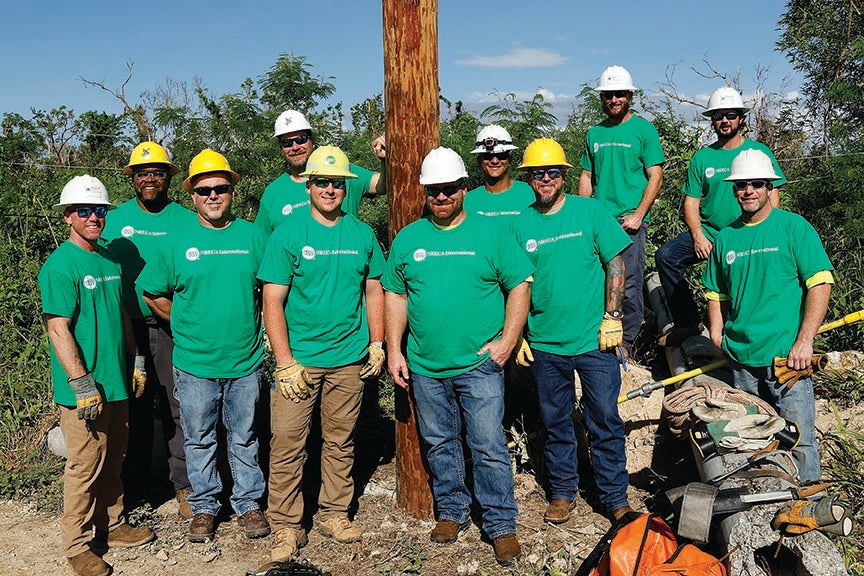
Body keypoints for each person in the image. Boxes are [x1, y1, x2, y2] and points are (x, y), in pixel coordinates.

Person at [383, 147, 533, 567]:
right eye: (435, 191)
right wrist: (394, 348)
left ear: (464, 188)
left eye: (450, 189)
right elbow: (395, 294)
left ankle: (501, 525)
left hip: (479, 365)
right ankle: (452, 511)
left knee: (487, 445)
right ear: (425, 193)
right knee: (439, 442)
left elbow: (520, 283)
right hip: (426, 364)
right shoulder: (410, 239)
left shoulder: (490, 234)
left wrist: (507, 340)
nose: (442, 197)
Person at [259, 146, 386, 561]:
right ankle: (286, 525)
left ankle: (333, 512)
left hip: (349, 359)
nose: (330, 189)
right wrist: (284, 361)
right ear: (309, 185)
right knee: (287, 444)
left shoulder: (361, 234)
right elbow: (273, 301)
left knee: (340, 441)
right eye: (323, 182)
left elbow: (373, 290)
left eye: (337, 183)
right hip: (301, 362)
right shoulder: (289, 233)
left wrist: (377, 342)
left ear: (346, 188)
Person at [137, 149, 270, 542]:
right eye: (204, 189)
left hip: (245, 361)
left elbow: (271, 288)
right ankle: (206, 505)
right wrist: (183, 322)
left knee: (245, 436)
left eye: (221, 188)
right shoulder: (176, 241)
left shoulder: (253, 236)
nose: (213, 195)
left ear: (232, 192)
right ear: (191, 194)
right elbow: (153, 292)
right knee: (199, 438)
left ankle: (248, 504)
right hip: (194, 363)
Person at [512, 138, 635, 523]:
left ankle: (615, 497)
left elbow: (616, 262)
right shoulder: (520, 224)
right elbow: (515, 284)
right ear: (529, 178)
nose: (545, 179)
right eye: (537, 173)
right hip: (546, 343)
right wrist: (517, 335)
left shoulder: (590, 211)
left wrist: (613, 316)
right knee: (555, 421)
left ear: (563, 175)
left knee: (605, 419)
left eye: (551, 172)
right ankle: (563, 491)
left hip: (595, 340)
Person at [39, 175, 155, 576]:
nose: (93, 217)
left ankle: (113, 524)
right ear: (68, 215)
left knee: (113, 457)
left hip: (116, 379)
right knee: (84, 465)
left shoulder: (108, 258)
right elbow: (58, 328)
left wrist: (136, 358)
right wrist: (81, 383)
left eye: (100, 210)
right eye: (84, 211)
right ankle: (77, 544)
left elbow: (121, 313)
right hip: (84, 389)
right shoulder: (60, 265)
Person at [703, 149, 832, 484]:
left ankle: (810, 507)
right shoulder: (726, 237)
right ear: (733, 189)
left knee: (798, 440)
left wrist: (805, 341)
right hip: (742, 362)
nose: (748, 190)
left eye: (756, 183)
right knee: (751, 443)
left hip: (787, 360)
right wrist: (717, 332)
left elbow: (820, 282)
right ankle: (766, 505)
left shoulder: (793, 228)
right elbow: (716, 292)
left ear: (769, 186)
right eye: (741, 184)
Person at [101, 141, 196, 517]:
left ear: (168, 177)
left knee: (179, 406)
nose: (150, 179)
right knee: (134, 410)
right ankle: (133, 485)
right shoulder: (113, 221)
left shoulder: (186, 220)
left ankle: (186, 485)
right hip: (127, 330)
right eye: (142, 173)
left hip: (172, 325)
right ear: (133, 179)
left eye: (157, 172)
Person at [656, 87, 786, 346]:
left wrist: (768, 232)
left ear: (741, 119)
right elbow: (691, 202)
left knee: (746, 279)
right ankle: (688, 323)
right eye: (718, 116)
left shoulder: (757, 153)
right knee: (666, 257)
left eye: (730, 115)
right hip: (712, 232)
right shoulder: (703, 158)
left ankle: (746, 334)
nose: (724, 120)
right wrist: (698, 236)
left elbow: (773, 195)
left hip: (746, 233)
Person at [578, 65, 665, 355]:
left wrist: (640, 214)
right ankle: (597, 336)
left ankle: (626, 342)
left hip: (629, 222)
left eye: (618, 94)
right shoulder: (594, 134)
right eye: (608, 95)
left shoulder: (643, 130)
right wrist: (584, 214)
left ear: (629, 96)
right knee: (597, 279)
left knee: (628, 283)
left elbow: (656, 176)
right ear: (602, 98)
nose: (613, 100)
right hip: (600, 221)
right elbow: (587, 176)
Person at [255, 109, 386, 233]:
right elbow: (261, 245)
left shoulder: (342, 171)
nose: (295, 147)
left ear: (312, 141)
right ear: (281, 148)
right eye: (287, 143)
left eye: (301, 140)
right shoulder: (272, 192)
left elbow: (383, 186)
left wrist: (385, 160)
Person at [464, 124, 535, 219]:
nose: (494, 161)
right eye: (488, 156)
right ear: (480, 161)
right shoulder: (467, 201)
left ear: (510, 159)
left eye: (501, 155)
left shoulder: (531, 193)